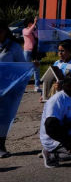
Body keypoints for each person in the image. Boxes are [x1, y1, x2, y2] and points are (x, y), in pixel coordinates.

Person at [0, 20, 27, 158]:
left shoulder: (14, 47)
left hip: (7, 88)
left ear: (5, 31)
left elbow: (21, 67)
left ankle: (1, 145)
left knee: (4, 118)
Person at [22, 16, 41, 92]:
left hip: (35, 52)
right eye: (31, 23)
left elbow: (37, 36)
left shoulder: (34, 30)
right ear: (28, 23)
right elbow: (28, 32)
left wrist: (35, 28)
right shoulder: (24, 30)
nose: (32, 24)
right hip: (27, 51)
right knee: (26, 69)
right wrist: (35, 24)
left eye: (32, 23)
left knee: (36, 69)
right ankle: (23, 86)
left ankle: (37, 86)